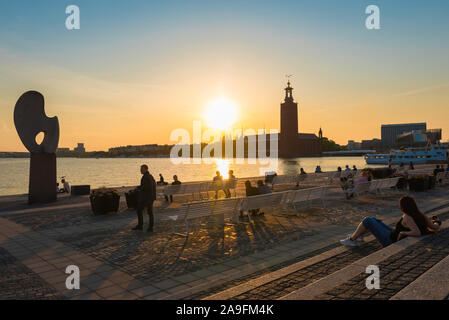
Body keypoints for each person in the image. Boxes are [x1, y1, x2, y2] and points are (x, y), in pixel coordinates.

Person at [340, 196, 440, 247]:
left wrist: (403, 232)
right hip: (393, 233)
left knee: (367, 220)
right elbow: (434, 227)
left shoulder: (407, 217)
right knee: (375, 220)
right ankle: (359, 236)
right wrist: (437, 222)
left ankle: (352, 240)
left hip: (390, 240)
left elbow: (417, 232)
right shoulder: (420, 214)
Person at [132, 164, 156, 232]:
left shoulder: (146, 177)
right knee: (150, 212)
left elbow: (146, 187)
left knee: (139, 210)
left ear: (146, 169)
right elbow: (152, 186)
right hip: (151, 197)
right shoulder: (150, 176)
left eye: (142, 169)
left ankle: (141, 225)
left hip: (146, 198)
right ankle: (150, 227)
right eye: (140, 169)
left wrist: (138, 188)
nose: (140, 170)